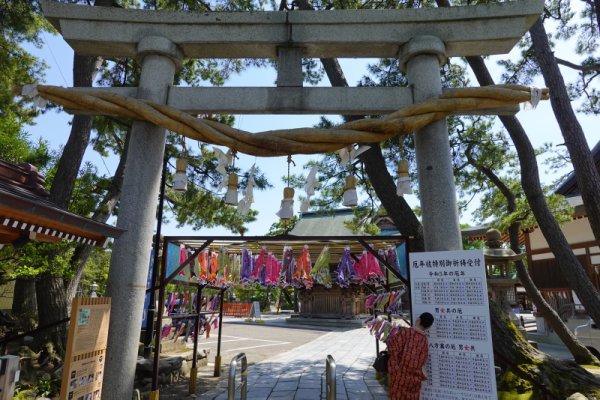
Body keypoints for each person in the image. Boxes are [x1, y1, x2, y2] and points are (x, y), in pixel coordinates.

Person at [385, 312, 434, 400]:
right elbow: (423, 359)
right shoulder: (424, 340)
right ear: (429, 327)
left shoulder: (404, 332)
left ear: (418, 320)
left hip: (399, 375)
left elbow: (392, 347)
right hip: (414, 379)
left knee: (397, 396)